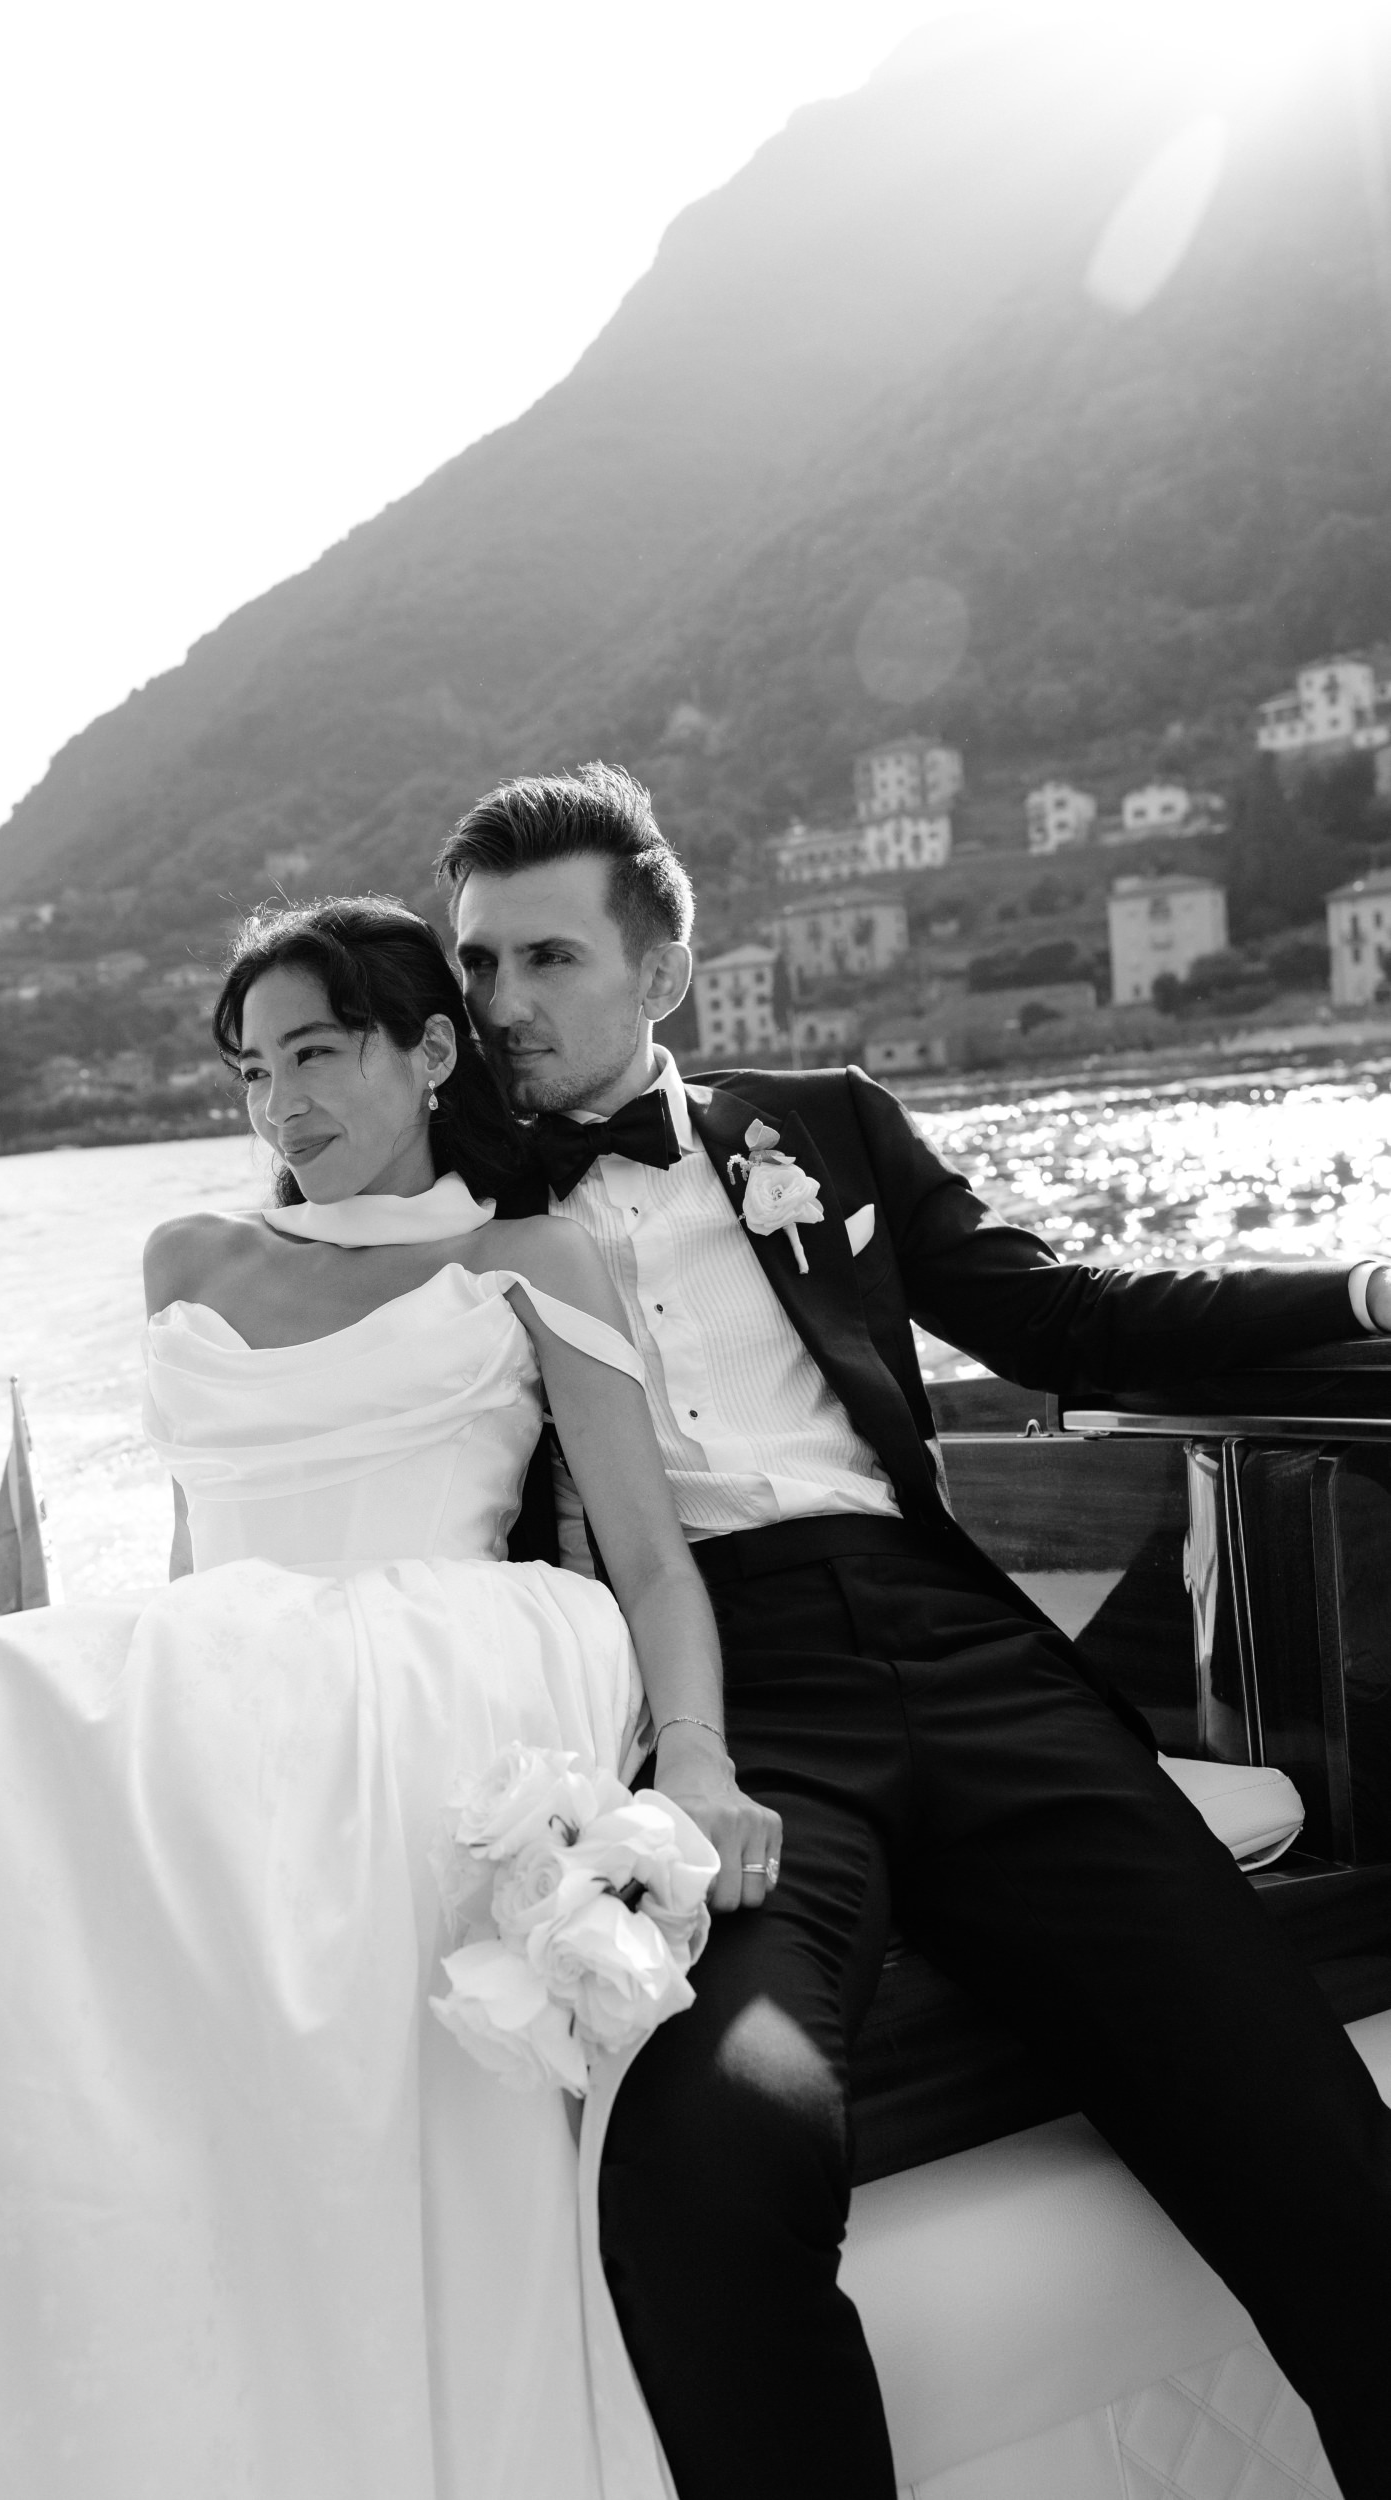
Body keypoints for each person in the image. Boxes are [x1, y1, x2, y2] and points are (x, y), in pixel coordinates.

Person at [0, 895, 777, 2500]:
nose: (280, 1103)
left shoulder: (526, 1256)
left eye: (317, 1054)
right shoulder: (188, 1257)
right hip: (229, 1649)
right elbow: (192, 1546)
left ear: (431, 1054)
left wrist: (694, 1758)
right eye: (251, 1071)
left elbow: (648, 1556)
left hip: (446, 1655)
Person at [438, 760, 1391, 2500]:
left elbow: (1067, 1322)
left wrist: (1359, 1290)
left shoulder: (827, 1125)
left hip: (962, 1654)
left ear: (663, 974)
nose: (503, 1001)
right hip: (713, 1704)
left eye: (548, 958)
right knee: (707, 2163)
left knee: (1306, 2132)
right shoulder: (439, 1200)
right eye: (479, 963)